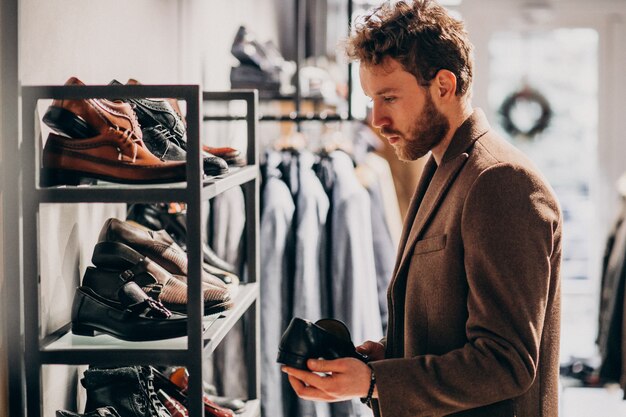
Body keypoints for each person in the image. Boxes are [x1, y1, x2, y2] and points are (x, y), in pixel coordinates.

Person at [280, 1, 563, 416]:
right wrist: (387, 355)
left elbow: (507, 363)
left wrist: (377, 382)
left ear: (444, 86)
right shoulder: (443, 167)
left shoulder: (500, 181)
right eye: (372, 100)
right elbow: (448, 323)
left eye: (389, 98)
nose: (376, 119)